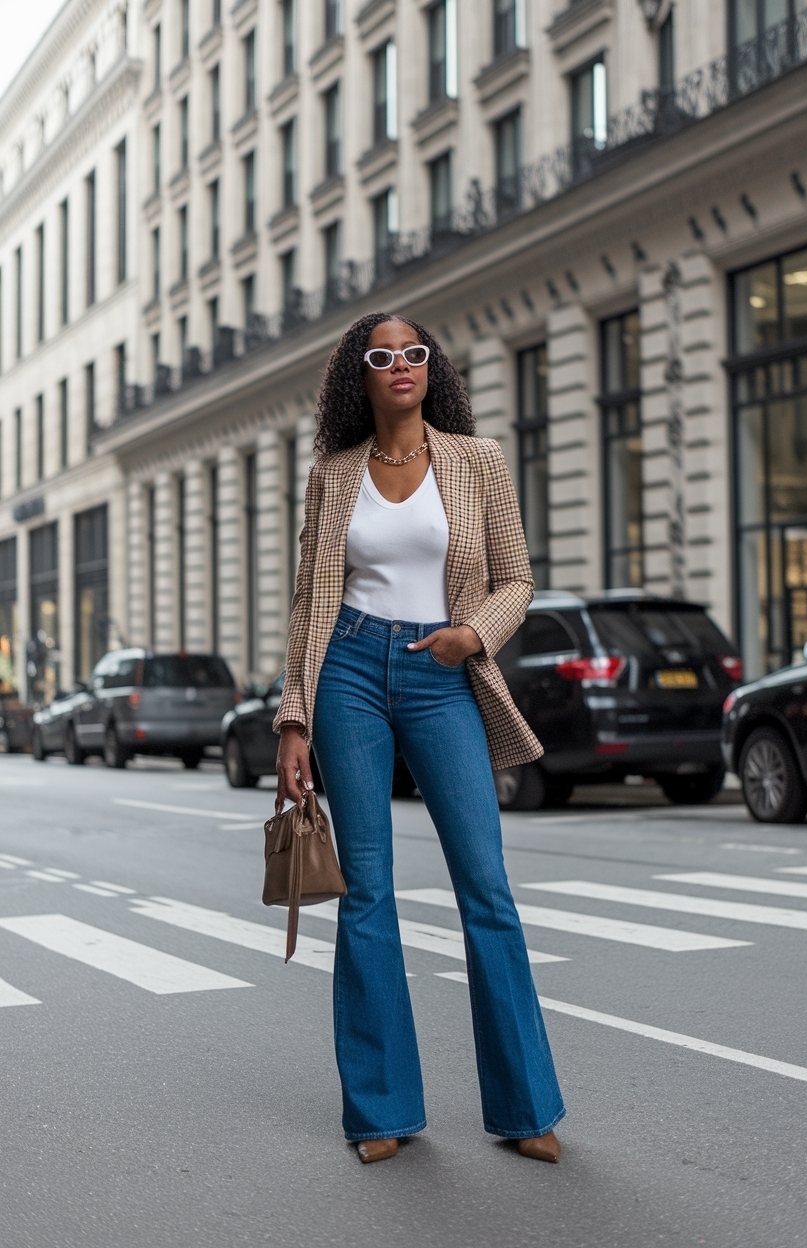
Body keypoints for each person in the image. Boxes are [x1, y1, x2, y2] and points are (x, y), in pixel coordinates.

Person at [275, 311, 565, 1164]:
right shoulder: (332, 475)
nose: (399, 364)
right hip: (351, 672)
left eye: (413, 353)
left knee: (486, 888)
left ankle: (526, 1109)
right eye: (381, 355)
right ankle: (382, 1110)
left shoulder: (477, 462)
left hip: (445, 674)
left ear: (431, 369)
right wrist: (293, 717)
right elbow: (308, 602)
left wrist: (474, 635)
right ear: (357, 377)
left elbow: (517, 576)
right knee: (368, 892)